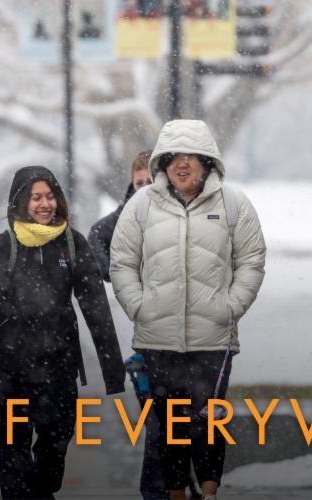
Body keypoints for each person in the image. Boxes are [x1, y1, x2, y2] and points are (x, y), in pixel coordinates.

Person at [110, 119, 266, 500]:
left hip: (214, 338)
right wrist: (139, 307)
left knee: (208, 422)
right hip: (157, 338)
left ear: (207, 161)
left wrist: (231, 307)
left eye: (192, 157)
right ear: (163, 163)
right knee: (169, 425)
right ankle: (176, 493)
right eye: (174, 157)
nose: (183, 164)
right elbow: (122, 262)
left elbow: (252, 260)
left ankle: (210, 492)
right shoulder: (142, 205)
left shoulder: (233, 203)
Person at [0, 166, 127, 499]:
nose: (45, 204)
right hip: (10, 368)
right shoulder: (2, 247)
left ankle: (41, 490)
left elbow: (96, 308)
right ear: (20, 202)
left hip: (59, 364)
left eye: (50, 196)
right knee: (12, 442)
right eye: (36, 197)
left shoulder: (72, 243)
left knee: (57, 437)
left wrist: (113, 370)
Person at [88, 150, 153, 282]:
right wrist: (114, 273)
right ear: (133, 184)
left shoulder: (178, 209)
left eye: (150, 182)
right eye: (139, 183)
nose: (144, 189)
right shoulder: (126, 213)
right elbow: (97, 233)